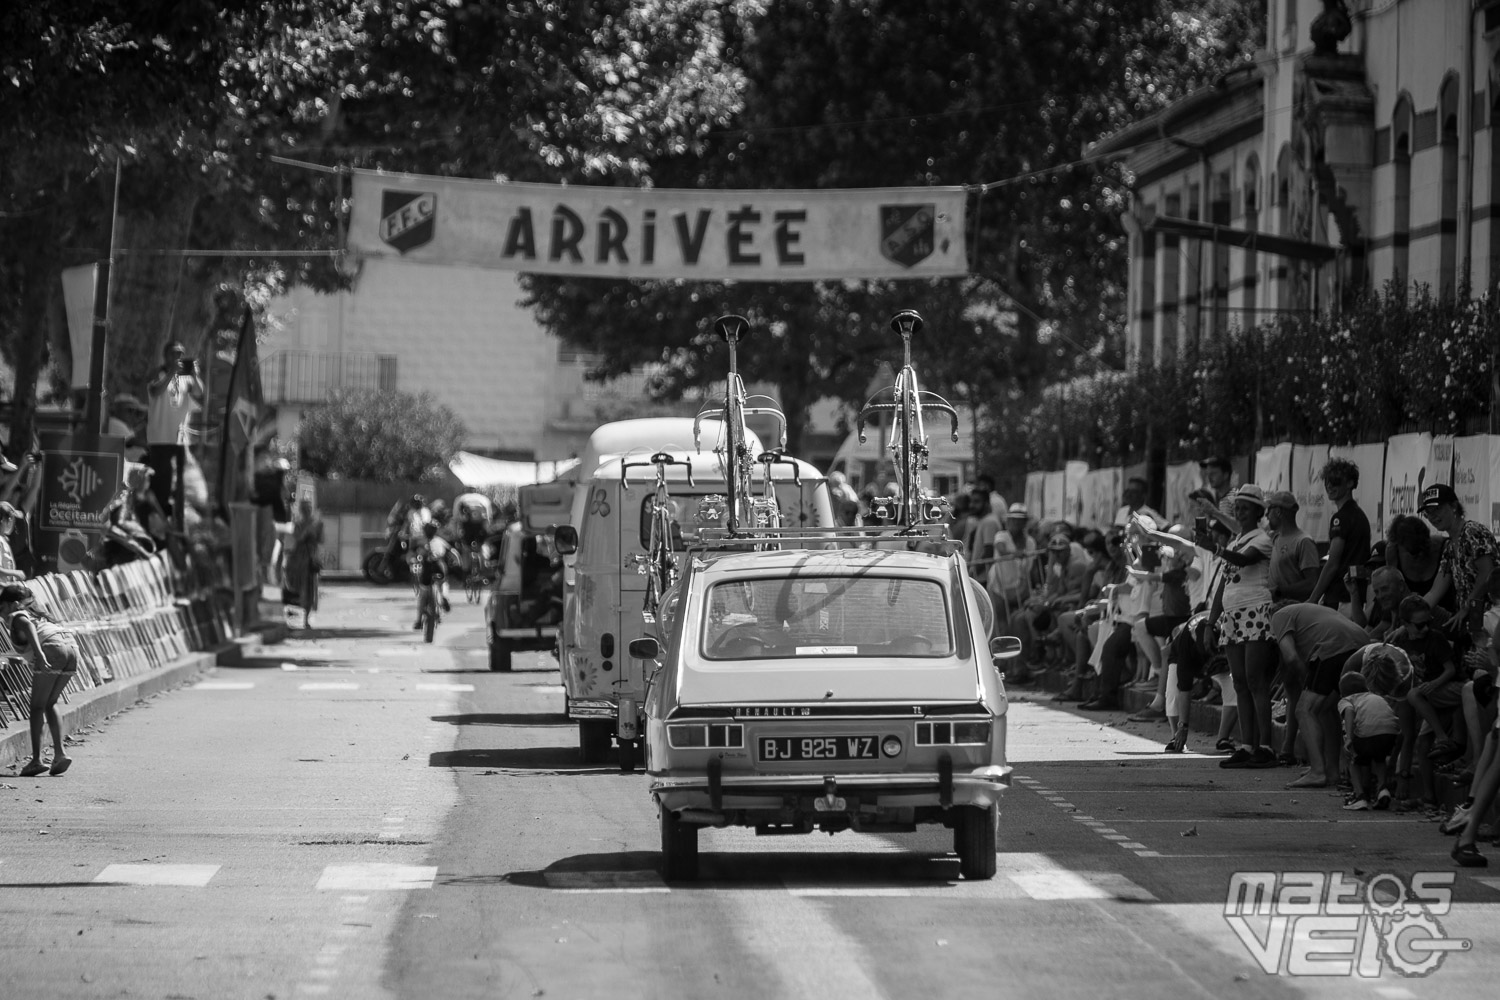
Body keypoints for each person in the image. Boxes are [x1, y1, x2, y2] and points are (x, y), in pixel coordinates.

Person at [1200, 485, 1279, 769]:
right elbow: (1223, 584)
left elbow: (1245, 561)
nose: (1241, 512)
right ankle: (1247, 745)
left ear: (1259, 512)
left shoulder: (1262, 539)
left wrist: (1215, 548)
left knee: (1256, 681)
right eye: (1239, 507)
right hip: (1232, 617)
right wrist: (1211, 622)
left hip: (1255, 610)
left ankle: (1266, 747)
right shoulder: (1235, 541)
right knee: (1240, 682)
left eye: (1247, 507)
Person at [1271, 600, 1370, 787]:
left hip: (1334, 647)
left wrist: (1304, 681)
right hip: (1362, 644)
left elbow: (1290, 656)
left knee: (1303, 709)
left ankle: (1317, 771)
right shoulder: (1311, 612)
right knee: (1325, 710)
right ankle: (1332, 772)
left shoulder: (1279, 615)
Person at [1, 584, 80, 777]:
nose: (1, 614)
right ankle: (60, 754)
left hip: (51, 649)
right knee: (49, 703)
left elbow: (26, 626)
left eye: (1, 608)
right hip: (71, 648)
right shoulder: (38, 616)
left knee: (36, 707)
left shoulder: (17, 616)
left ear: (14, 604)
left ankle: (36, 760)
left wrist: (39, 654)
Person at [1419, 483, 1497, 642]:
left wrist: (1466, 607)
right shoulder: (1449, 546)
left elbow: (1488, 573)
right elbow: (1434, 593)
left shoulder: (1472, 532)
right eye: (1428, 512)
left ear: (1454, 506)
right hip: (1473, 622)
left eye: (1437, 509)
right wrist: (1408, 620)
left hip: (1492, 619)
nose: (1432, 516)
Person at [144, 340, 205, 528]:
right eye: (174, 353)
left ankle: (176, 521)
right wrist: (171, 372)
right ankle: (155, 521)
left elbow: (200, 393)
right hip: (160, 438)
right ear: (166, 356)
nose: (178, 357)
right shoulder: (158, 374)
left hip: (179, 439)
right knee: (160, 484)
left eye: (181, 353)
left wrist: (194, 375)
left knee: (179, 485)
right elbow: (155, 391)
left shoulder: (185, 377)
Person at [1307, 458, 1371, 625]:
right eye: (1327, 481)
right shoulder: (1357, 514)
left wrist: (1313, 599)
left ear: (1350, 483)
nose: (1329, 486)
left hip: (1342, 597)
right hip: (1351, 596)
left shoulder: (1341, 518)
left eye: (1335, 481)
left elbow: (1333, 563)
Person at [1337, 672, 1400, 811]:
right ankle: (1382, 788)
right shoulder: (1376, 697)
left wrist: (1349, 738)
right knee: (1379, 757)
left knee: (1352, 758)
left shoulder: (1347, 700)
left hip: (1367, 733)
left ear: (1342, 692)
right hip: (1390, 733)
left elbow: (1348, 712)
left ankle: (1360, 796)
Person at [1265, 491, 1319, 602]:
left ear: (1278, 512)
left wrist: (1280, 592)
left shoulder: (1304, 542)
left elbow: (1312, 583)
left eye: (1269, 509)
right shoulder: (1273, 538)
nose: (1266, 515)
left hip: (1294, 612)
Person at [281, 499, 324, 629]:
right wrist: (307, 528)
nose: (307, 511)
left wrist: (318, 529)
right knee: (293, 587)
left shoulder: (316, 523)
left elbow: (321, 540)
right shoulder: (297, 524)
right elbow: (297, 538)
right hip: (296, 558)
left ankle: (306, 619)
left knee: (308, 588)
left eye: (308, 508)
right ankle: (288, 615)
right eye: (304, 508)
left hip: (309, 559)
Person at [414, 521, 457, 628]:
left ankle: (419, 620)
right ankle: (443, 597)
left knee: (423, 593)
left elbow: (413, 554)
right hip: (440, 565)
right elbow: (453, 552)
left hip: (426, 567)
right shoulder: (440, 541)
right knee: (442, 584)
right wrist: (457, 561)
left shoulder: (420, 541)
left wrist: (412, 561)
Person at [0, 501, 27, 582]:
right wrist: (15, 573)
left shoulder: (4, 540)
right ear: (4, 520)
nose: (13, 524)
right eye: (12, 519)